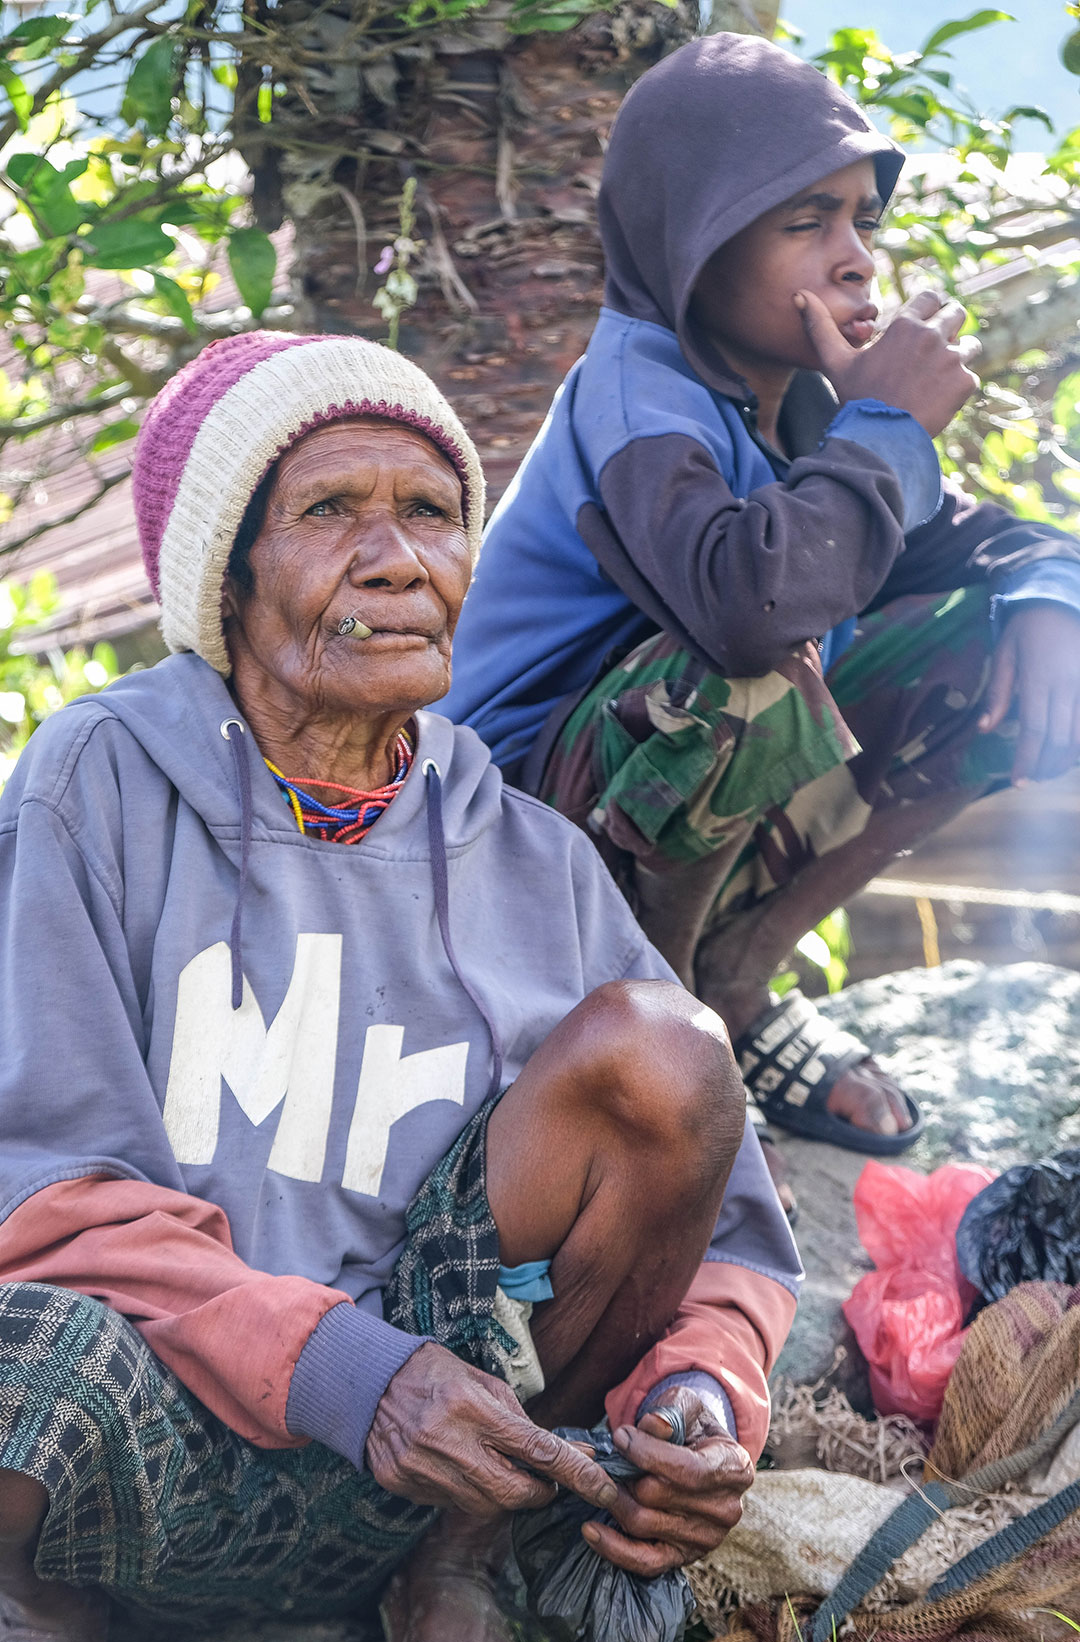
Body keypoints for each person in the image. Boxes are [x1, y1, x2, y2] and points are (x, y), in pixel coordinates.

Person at [0, 331, 801, 1642]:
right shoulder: (94, 782)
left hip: (442, 1460)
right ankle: (44, 1632)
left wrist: (697, 1390)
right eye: (330, 513)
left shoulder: (527, 856)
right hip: (158, 1437)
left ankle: (450, 1585)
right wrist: (341, 1368)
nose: (395, 560)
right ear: (227, 580)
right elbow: (44, 1204)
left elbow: (729, 1235)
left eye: (432, 511)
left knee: (664, 1049)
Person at [439, 35, 1080, 1170]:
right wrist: (881, 431)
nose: (854, 263)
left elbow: (970, 547)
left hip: (656, 818)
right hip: (512, 842)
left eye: (860, 223)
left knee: (997, 637)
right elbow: (743, 607)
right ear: (693, 245)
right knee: (748, 662)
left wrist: (1044, 592)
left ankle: (735, 974)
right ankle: (660, 1011)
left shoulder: (795, 414)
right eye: (804, 223)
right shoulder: (635, 399)